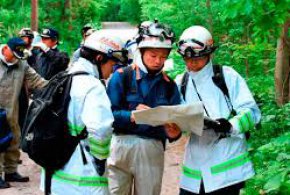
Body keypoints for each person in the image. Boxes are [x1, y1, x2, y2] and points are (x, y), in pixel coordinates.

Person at [175, 26, 261, 195]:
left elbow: (251, 112)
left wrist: (230, 125)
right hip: (195, 166)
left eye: (198, 58)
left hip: (227, 166)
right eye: (187, 58)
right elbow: (177, 116)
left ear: (209, 54)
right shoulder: (181, 82)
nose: (192, 63)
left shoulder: (227, 76)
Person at [40, 32, 127, 194]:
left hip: (54, 177)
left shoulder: (64, 77)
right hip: (83, 180)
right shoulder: (93, 86)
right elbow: (101, 130)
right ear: (100, 59)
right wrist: (100, 161)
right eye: (112, 64)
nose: (112, 70)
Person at [106, 20, 181, 195]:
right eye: (153, 55)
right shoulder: (122, 77)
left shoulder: (169, 85)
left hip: (152, 148)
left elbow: (177, 128)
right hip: (120, 146)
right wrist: (131, 115)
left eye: (163, 57)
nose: (158, 61)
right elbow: (107, 116)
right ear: (141, 51)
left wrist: (174, 131)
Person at [0, 37, 47, 189]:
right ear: (6, 49)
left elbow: (37, 81)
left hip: (11, 110)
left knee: (14, 140)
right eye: (13, 54)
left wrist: (58, 86)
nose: (15, 59)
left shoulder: (22, 65)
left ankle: (11, 171)